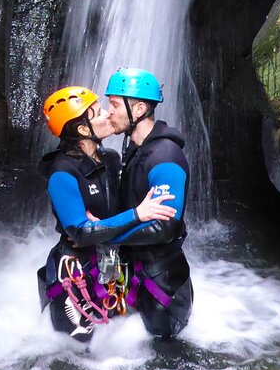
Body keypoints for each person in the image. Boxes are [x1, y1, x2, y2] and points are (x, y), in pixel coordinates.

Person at [36, 86, 177, 342]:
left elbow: (98, 226)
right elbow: (79, 231)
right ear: (82, 130)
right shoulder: (62, 173)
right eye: (98, 112)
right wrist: (136, 215)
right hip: (76, 271)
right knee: (76, 350)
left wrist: (104, 229)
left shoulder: (111, 159)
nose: (107, 115)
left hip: (112, 266)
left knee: (120, 340)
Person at [104, 68, 194, 339]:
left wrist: (104, 232)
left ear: (139, 109)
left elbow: (164, 228)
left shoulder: (166, 156)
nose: (109, 111)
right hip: (136, 274)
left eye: (115, 105)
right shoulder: (135, 149)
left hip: (163, 288)